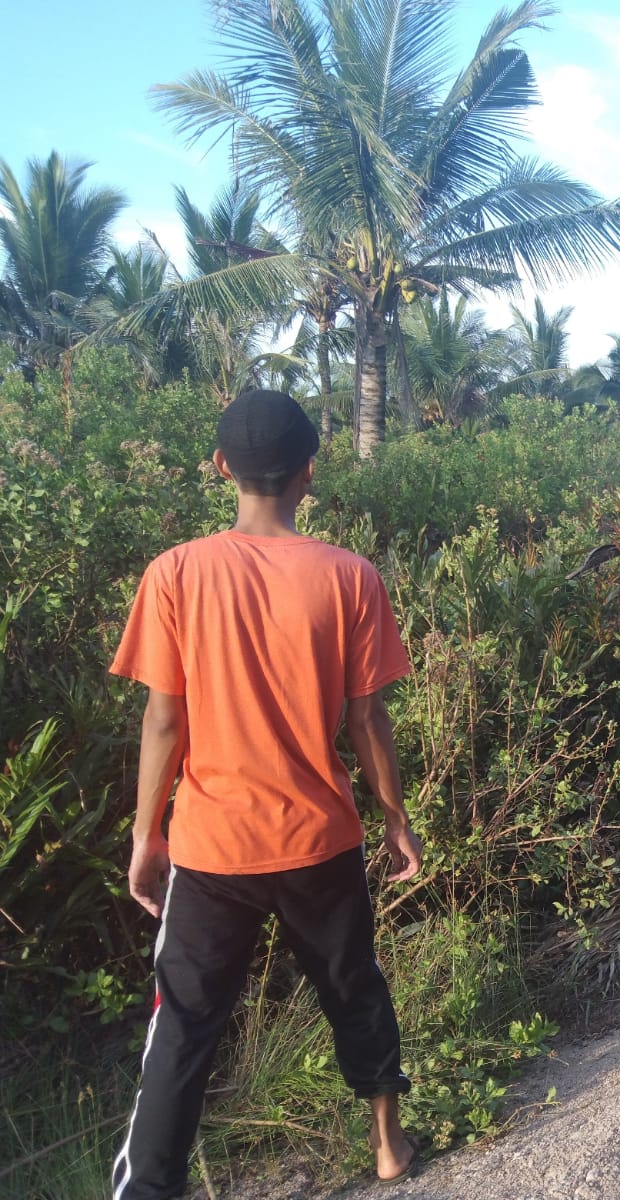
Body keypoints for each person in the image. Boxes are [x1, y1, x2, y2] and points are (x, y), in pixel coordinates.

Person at [108, 390, 424, 1199]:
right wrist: (394, 817)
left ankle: (150, 1191)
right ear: (308, 474)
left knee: (181, 1026)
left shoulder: (175, 573)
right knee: (355, 985)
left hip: (211, 846)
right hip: (321, 834)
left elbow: (164, 723)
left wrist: (148, 838)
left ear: (222, 468)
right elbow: (366, 719)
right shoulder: (350, 576)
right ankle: (389, 1146)